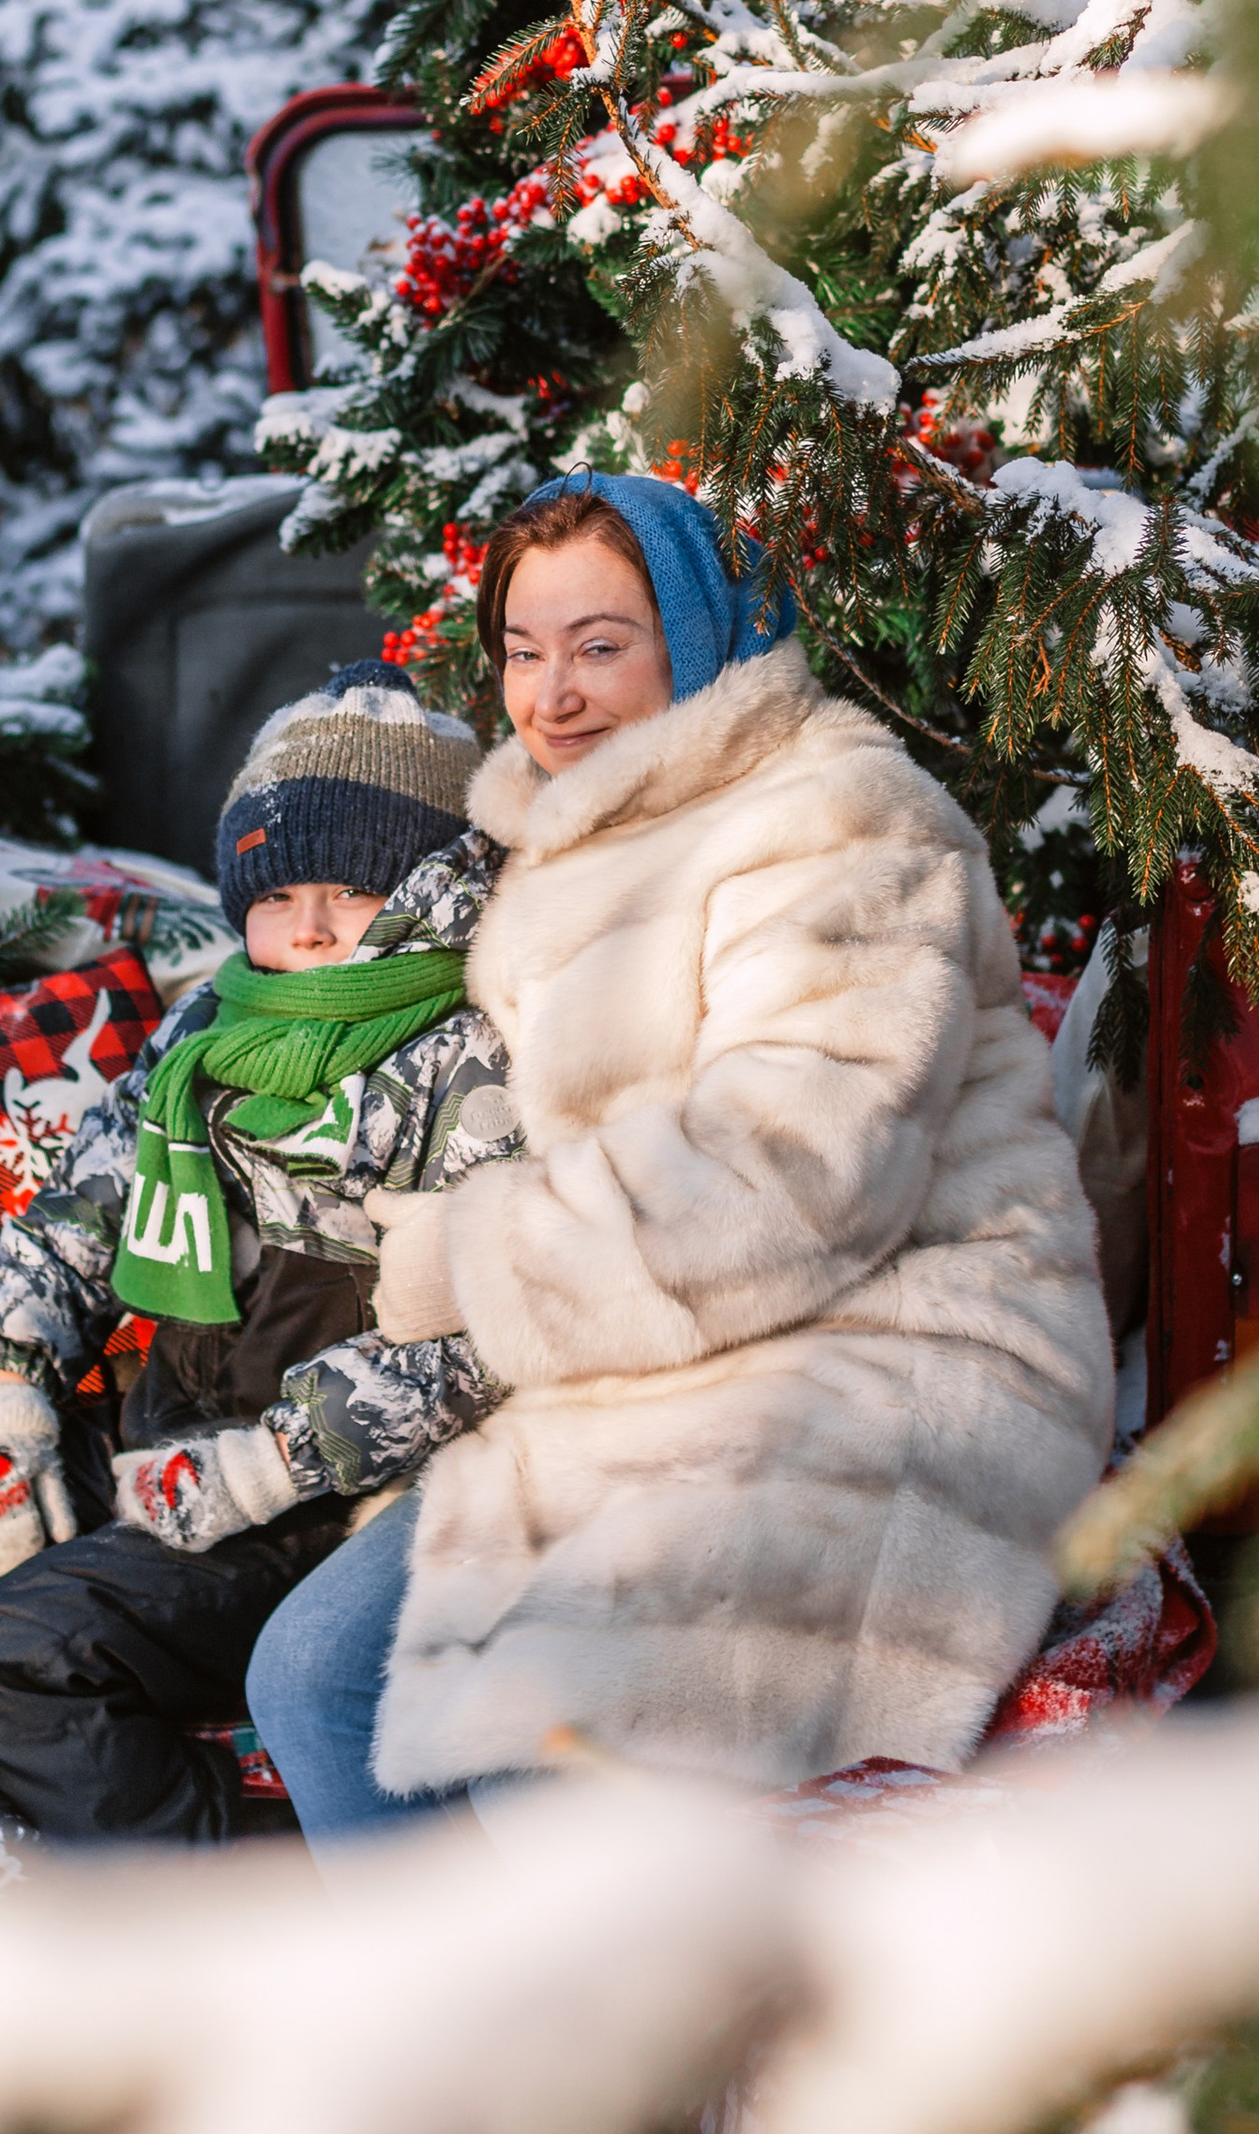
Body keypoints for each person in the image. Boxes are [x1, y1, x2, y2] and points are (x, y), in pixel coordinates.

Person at [244, 475, 1117, 1845]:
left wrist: (474, 1254)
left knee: (535, 1746)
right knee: (313, 1677)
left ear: (702, 633)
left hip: (884, 1360)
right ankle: (470, 2045)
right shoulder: (567, 843)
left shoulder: (838, 823)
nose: (553, 694)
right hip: (664, 1358)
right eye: (524, 652)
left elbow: (794, 1174)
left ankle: (608, 2043)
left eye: (601, 644)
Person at [0, 659, 514, 1837]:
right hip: (162, 1439)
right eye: (277, 896)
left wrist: (261, 1467)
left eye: (351, 889)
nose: (310, 924)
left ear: (433, 893)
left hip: (307, 1506)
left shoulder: (468, 1059)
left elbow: (473, 1339)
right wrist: (3, 1387)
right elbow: (78, 1218)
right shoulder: (208, 1029)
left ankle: (193, 1900)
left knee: (17, 1654)